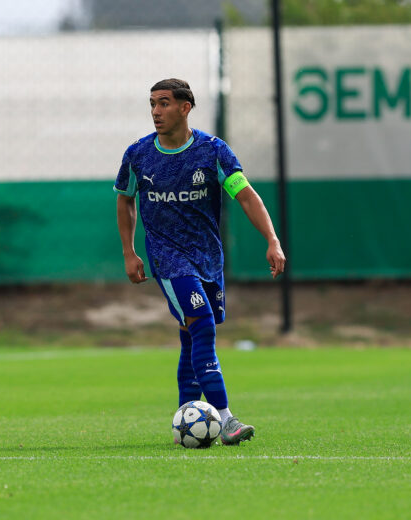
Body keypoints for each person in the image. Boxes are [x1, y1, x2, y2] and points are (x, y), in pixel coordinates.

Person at [114, 78, 286, 445]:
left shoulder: (212, 151)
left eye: (163, 103)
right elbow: (125, 199)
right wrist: (130, 252)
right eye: (152, 104)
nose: (156, 112)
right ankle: (225, 420)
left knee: (191, 337)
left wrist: (271, 240)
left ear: (184, 107)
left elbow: (246, 196)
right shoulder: (138, 154)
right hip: (168, 259)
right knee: (203, 326)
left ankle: (185, 419)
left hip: (208, 258)